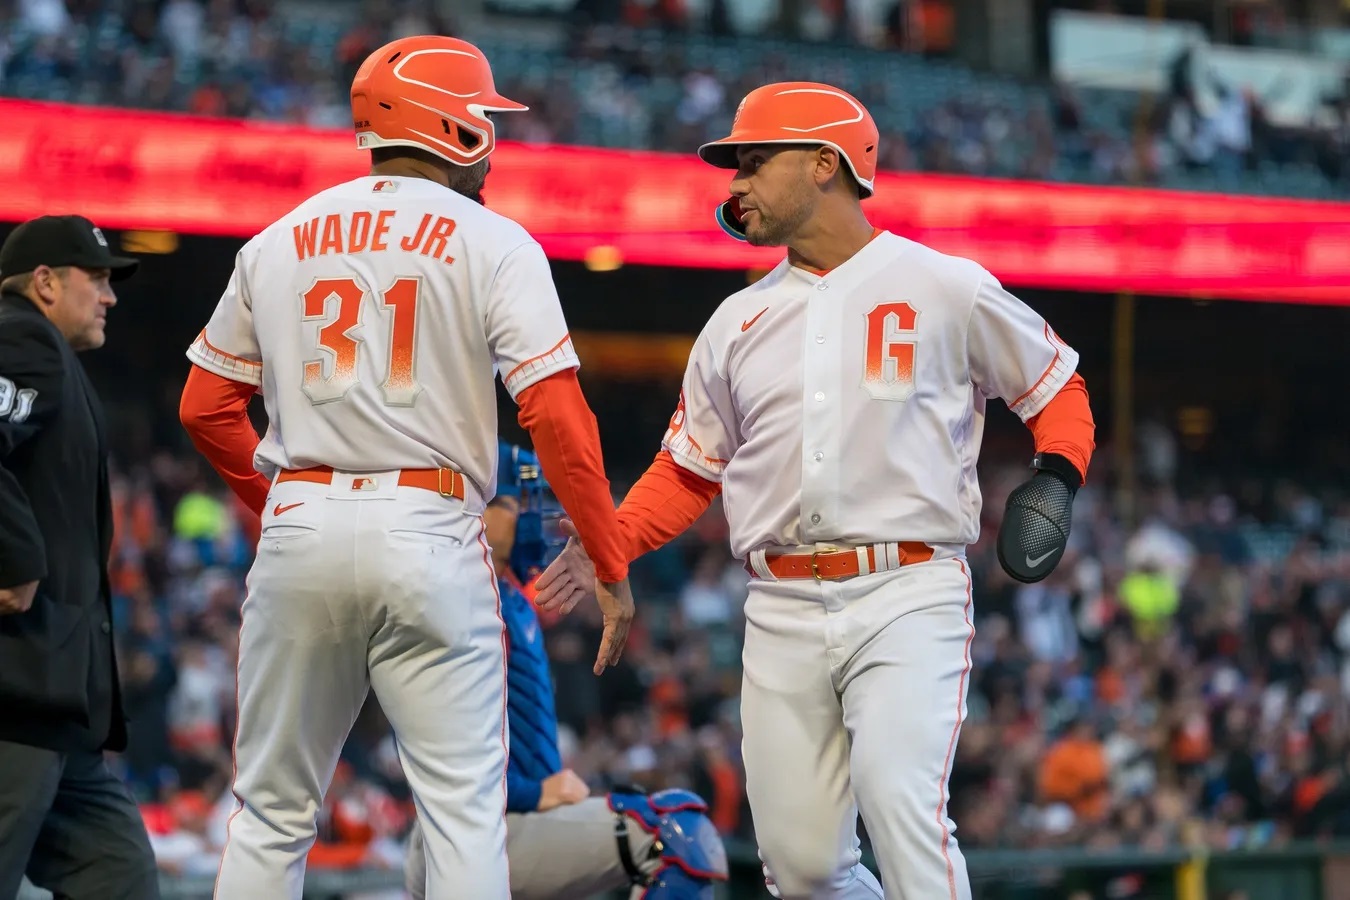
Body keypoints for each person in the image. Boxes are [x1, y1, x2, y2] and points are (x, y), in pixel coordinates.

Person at [533, 81, 1097, 899]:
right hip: (781, 606)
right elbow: (689, 470)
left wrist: (1057, 476)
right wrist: (606, 541)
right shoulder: (735, 322)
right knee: (801, 870)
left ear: (825, 164)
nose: (734, 185)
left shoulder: (943, 284)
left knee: (903, 810)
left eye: (754, 163)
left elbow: (1058, 388)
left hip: (907, 589)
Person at [177, 36, 636, 900]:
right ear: (452, 125)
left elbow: (203, 408)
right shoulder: (493, 240)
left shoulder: (278, 238)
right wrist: (610, 562)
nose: (493, 138)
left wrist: (271, 499)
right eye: (485, 119)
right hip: (429, 528)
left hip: (302, 523)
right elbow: (556, 416)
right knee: (463, 813)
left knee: (270, 813)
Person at [403, 441, 730, 900]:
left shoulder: (507, 598)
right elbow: (443, 753)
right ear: (474, 509)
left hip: (507, 823)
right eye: (513, 503)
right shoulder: (461, 600)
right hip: (470, 835)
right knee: (679, 835)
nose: (530, 517)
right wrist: (533, 795)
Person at [0, 215, 159, 898]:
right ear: (44, 282)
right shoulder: (22, 338)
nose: (110, 295)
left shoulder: (46, 353)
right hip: (16, 689)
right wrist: (11, 556)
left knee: (118, 873)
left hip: (55, 702)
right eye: (96, 278)